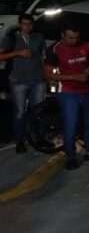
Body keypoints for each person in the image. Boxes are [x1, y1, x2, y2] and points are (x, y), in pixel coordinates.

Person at [47, 24, 89, 169]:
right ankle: (70, 156)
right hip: (67, 91)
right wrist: (74, 77)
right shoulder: (55, 49)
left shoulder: (86, 45)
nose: (74, 41)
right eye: (70, 38)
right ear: (62, 35)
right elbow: (49, 74)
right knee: (70, 124)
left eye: (76, 38)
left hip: (87, 89)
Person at [0, 13, 46, 152]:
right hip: (18, 81)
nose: (27, 27)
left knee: (38, 110)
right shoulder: (11, 38)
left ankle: (39, 138)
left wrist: (46, 75)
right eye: (24, 24)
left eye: (30, 24)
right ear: (20, 24)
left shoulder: (38, 37)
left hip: (37, 80)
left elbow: (43, 57)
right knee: (20, 112)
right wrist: (17, 53)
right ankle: (20, 141)